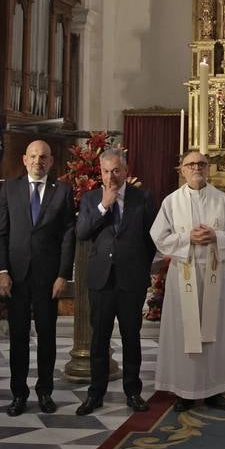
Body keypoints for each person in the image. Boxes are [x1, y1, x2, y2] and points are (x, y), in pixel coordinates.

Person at [151, 152, 225, 412]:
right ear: (182, 170)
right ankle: (185, 391)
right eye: (191, 164)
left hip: (215, 273)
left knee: (215, 333)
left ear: (208, 169)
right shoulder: (171, 202)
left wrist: (216, 236)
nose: (197, 168)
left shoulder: (222, 200)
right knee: (185, 333)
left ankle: (215, 390)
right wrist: (187, 240)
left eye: (201, 164)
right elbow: (158, 237)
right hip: (184, 275)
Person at [0, 140, 77, 416]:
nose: (38, 161)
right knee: (18, 337)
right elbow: (0, 232)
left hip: (47, 277)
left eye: (44, 157)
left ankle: (45, 392)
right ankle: (18, 394)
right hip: (15, 276)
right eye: (33, 156)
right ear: (24, 159)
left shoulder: (62, 191)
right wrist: (1, 271)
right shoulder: (10, 188)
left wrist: (63, 273)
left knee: (47, 336)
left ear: (51, 162)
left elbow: (68, 235)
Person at [76, 149, 157, 415]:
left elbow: (151, 240)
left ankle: (133, 392)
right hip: (101, 279)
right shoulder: (90, 199)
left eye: (116, 171)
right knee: (99, 338)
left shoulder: (141, 198)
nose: (111, 176)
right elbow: (83, 232)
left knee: (131, 337)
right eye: (106, 171)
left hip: (131, 280)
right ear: (100, 172)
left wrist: (140, 269)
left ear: (125, 170)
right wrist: (104, 205)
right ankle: (95, 393)